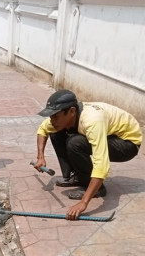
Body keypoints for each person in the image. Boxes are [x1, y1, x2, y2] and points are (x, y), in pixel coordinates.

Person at [34, 90, 142, 220]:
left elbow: (101, 165)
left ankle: (97, 189)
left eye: (55, 117)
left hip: (128, 143)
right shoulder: (66, 116)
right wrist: (40, 157)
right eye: (50, 117)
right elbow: (43, 129)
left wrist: (83, 203)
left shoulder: (92, 121)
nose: (52, 120)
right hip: (110, 134)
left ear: (72, 111)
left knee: (75, 143)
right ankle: (78, 177)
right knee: (56, 132)